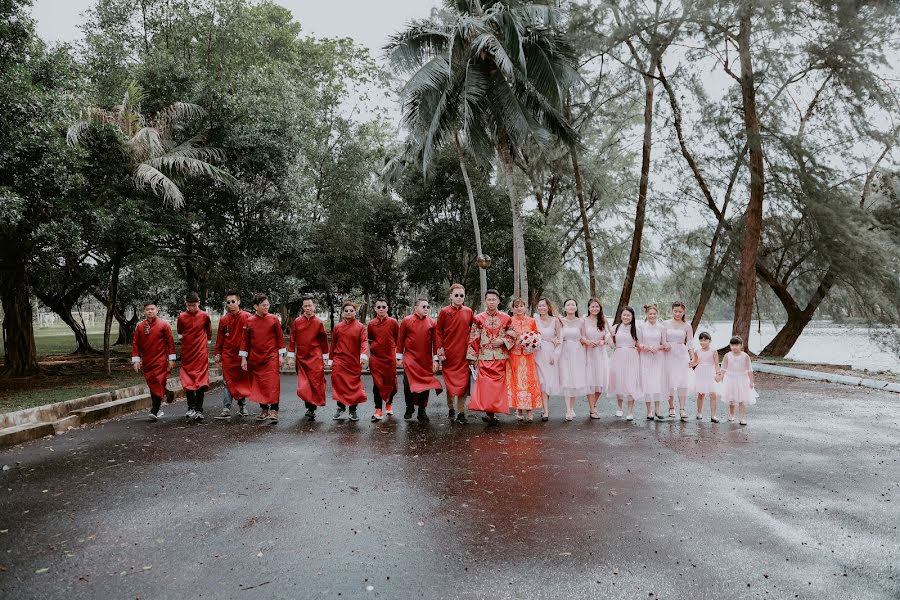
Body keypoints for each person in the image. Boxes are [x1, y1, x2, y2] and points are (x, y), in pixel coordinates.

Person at [466, 289, 516, 426]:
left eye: (494, 299)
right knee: (486, 386)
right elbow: (474, 337)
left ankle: (492, 413)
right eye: (489, 299)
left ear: (498, 301)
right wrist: (472, 356)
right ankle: (489, 414)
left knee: (498, 387)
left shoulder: (506, 318)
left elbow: (513, 334)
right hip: (484, 356)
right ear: (485, 301)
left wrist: (503, 341)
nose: (491, 302)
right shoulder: (478, 318)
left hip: (500, 356)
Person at [239, 293, 286, 422]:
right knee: (259, 384)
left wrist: (281, 355)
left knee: (273, 383)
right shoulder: (249, 321)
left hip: (271, 356)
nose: (266, 307)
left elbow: (280, 338)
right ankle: (264, 409)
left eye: (267, 305)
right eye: (263, 305)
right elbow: (245, 341)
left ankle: (274, 410)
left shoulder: (273, 319)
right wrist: (244, 358)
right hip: (255, 357)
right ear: (255, 306)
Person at [398, 298, 443, 423]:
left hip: (425, 360)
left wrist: (435, 360)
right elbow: (400, 340)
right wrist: (399, 357)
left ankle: (422, 411)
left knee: (425, 386)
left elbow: (436, 342)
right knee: (407, 384)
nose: (426, 309)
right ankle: (410, 407)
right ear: (415, 307)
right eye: (423, 306)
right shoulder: (406, 321)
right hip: (410, 359)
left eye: (428, 307)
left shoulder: (432, 322)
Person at [436, 283, 475, 424]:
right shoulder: (444, 312)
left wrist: (473, 351)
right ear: (451, 296)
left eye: (461, 295)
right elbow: (438, 332)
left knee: (464, 384)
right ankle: (451, 408)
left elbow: (474, 330)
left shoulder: (469, 311)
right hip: (449, 355)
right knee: (450, 384)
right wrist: (440, 351)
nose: (459, 298)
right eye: (456, 295)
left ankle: (461, 412)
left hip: (464, 355)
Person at [131, 301, 176, 421]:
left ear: (157, 310)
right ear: (144, 311)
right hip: (147, 361)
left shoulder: (164, 325)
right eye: (147, 309)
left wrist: (171, 359)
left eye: (152, 309)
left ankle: (154, 410)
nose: (150, 311)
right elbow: (136, 344)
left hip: (161, 360)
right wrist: (136, 360)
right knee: (152, 384)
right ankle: (166, 394)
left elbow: (170, 343)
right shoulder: (140, 326)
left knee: (159, 381)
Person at [287, 296, 329, 422]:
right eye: (305, 306)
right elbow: (292, 340)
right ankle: (309, 406)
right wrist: (290, 357)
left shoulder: (319, 322)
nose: (308, 308)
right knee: (304, 384)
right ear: (303, 307)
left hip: (315, 358)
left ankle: (312, 409)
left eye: (310, 305)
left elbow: (324, 341)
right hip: (301, 359)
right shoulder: (297, 322)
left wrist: (325, 357)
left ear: (314, 306)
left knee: (315, 383)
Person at [330, 301, 369, 421]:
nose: (348, 312)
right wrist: (330, 359)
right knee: (339, 384)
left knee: (353, 386)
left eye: (351, 310)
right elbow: (333, 344)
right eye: (346, 310)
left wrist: (363, 355)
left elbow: (364, 341)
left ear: (355, 312)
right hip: (339, 361)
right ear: (343, 312)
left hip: (353, 362)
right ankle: (340, 408)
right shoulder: (337, 327)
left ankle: (353, 410)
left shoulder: (360, 327)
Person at [214, 291, 250, 419]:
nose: (230, 304)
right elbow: (219, 338)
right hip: (228, 355)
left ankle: (242, 406)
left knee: (242, 381)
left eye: (233, 301)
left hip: (242, 356)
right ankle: (226, 408)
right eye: (228, 302)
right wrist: (217, 353)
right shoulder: (224, 320)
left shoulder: (247, 317)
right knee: (227, 382)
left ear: (238, 302)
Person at [177, 292, 212, 421]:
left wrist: (204, 344)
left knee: (201, 381)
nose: (192, 307)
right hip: (187, 354)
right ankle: (190, 407)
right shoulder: (182, 317)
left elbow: (209, 332)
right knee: (188, 381)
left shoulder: (204, 316)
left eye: (194, 305)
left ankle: (199, 409)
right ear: (186, 304)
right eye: (189, 305)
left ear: (199, 303)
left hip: (201, 354)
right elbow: (180, 333)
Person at [507, 298, 542, 422]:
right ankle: (519, 409)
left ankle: (530, 411)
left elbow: (537, 335)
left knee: (528, 382)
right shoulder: (509, 321)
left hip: (528, 356)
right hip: (514, 355)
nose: (519, 308)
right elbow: (506, 336)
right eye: (516, 306)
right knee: (517, 382)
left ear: (525, 307)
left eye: (521, 306)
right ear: (513, 308)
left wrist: (531, 341)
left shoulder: (532, 321)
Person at [367, 298, 400, 421]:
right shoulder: (371, 324)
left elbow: (398, 339)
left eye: (383, 307)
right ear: (375, 308)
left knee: (390, 383)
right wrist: (372, 354)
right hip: (376, 359)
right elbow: (370, 341)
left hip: (390, 358)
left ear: (387, 308)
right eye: (379, 307)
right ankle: (378, 410)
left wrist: (397, 355)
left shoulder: (393, 322)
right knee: (377, 384)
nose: (381, 309)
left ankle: (388, 403)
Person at [607, 306, 641, 421]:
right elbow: (607, 336)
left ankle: (630, 411)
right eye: (624, 315)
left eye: (628, 315)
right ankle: (620, 408)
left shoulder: (636, 329)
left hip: (632, 357)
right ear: (621, 316)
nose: (626, 317)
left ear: (632, 317)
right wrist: (610, 341)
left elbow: (639, 345)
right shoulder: (616, 327)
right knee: (619, 381)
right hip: (618, 356)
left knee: (631, 381)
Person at [663, 301, 695, 421]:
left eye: (680, 312)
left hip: (682, 354)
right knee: (670, 381)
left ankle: (682, 408)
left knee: (683, 381)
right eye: (675, 311)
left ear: (684, 312)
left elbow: (690, 343)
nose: (677, 313)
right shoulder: (665, 323)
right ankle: (671, 407)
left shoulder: (687, 326)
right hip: (668, 354)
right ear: (672, 311)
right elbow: (662, 340)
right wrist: (665, 344)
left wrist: (692, 357)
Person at [581, 297, 612, 419]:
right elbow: (581, 337)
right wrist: (588, 342)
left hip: (600, 354)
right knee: (590, 381)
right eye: (592, 306)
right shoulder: (584, 321)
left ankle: (593, 405)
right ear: (589, 308)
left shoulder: (603, 321)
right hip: (589, 354)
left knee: (601, 381)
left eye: (597, 307)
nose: (595, 308)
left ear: (600, 308)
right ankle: (592, 410)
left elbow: (608, 336)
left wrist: (604, 342)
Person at [638, 304, 669, 420]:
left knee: (657, 382)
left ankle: (657, 410)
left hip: (658, 357)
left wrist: (658, 347)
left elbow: (664, 344)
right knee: (647, 382)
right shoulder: (641, 327)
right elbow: (638, 343)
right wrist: (645, 347)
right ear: (646, 314)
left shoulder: (661, 327)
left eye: (654, 314)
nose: (652, 316)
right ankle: (649, 411)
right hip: (645, 356)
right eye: (650, 314)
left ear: (657, 314)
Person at [558, 299, 587, 421]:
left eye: (573, 305)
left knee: (575, 380)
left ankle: (572, 407)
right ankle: (568, 410)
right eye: (568, 305)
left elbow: (583, 338)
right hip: (564, 351)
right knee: (566, 378)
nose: (570, 306)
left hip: (577, 351)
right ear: (564, 308)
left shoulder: (581, 321)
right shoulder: (560, 321)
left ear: (576, 307)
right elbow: (558, 336)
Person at [533, 298, 562, 421]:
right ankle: (545, 410)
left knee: (548, 382)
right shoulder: (535, 318)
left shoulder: (555, 320)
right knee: (541, 381)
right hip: (537, 352)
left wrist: (555, 353)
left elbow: (559, 339)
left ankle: (544, 406)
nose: (542, 308)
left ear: (548, 307)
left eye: (544, 306)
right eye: (540, 306)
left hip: (550, 353)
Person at [719, 335, 757, 425]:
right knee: (731, 399)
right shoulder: (727, 356)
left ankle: (742, 418)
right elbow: (723, 369)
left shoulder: (745, 356)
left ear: (741, 345)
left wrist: (751, 382)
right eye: (732, 345)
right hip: (730, 379)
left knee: (741, 399)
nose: (734, 347)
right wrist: (720, 378)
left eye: (736, 345)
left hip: (742, 379)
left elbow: (749, 370)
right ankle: (731, 415)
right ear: (730, 346)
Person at [691, 332, 720, 422]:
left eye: (705, 340)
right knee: (701, 394)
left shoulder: (713, 351)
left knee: (713, 394)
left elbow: (716, 364)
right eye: (701, 340)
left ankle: (713, 415)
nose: (703, 342)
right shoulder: (697, 351)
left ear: (709, 341)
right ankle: (699, 412)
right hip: (700, 372)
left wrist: (718, 373)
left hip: (710, 372)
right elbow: (695, 362)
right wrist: (690, 364)